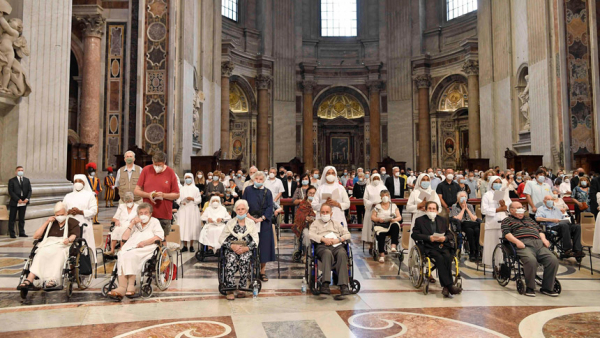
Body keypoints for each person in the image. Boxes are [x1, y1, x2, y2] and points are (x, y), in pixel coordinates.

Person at [108, 203, 165, 300]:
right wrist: (132, 224)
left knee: (131, 255)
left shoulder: (154, 222)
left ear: (150, 214)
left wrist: (145, 242)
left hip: (147, 246)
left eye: (146, 213)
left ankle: (130, 286)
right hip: (132, 244)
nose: (143, 215)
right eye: (141, 213)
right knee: (121, 254)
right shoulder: (135, 223)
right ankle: (122, 287)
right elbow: (124, 238)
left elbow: (159, 237)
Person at [502, 202, 559, 297]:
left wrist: (544, 239)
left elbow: (539, 231)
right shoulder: (507, 220)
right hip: (523, 244)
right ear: (511, 210)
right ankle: (530, 287)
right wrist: (517, 242)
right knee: (531, 261)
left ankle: (547, 288)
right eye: (518, 208)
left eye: (522, 207)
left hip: (538, 243)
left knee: (553, 260)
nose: (521, 209)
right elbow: (507, 234)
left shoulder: (530, 220)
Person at [17, 202, 80, 289]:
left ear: (66, 213)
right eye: (57, 215)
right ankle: (29, 279)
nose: (60, 216)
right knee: (40, 253)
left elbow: (74, 235)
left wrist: (69, 239)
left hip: (63, 245)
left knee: (59, 254)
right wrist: (47, 222)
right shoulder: (52, 223)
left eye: (62, 214)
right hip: (48, 244)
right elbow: (36, 236)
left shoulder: (72, 222)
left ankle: (53, 279)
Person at [412, 201, 462, 298]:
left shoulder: (442, 220)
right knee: (439, 258)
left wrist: (445, 238)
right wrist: (428, 237)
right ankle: (449, 286)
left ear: (437, 210)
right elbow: (415, 234)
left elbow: (449, 233)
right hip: (429, 246)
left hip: (442, 245)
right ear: (426, 210)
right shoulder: (419, 220)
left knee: (447, 256)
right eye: (430, 208)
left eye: (433, 209)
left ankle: (447, 287)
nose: (432, 210)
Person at [219, 200, 260, 300]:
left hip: (245, 249)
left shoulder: (251, 223)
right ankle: (230, 288)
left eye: (243, 209)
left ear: (246, 210)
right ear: (235, 211)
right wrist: (231, 246)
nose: (241, 211)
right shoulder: (230, 223)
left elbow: (256, 240)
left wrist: (246, 248)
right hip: (231, 249)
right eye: (238, 209)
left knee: (244, 259)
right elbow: (221, 239)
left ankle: (242, 287)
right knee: (230, 259)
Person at [308, 204, 351, 296]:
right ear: (320, 213)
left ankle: (343, 284)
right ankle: (325, 283)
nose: (325, 214)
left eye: (327, 212)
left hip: (336, 245)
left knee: (342, 253)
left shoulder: (336, 223)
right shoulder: (315, 223)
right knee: (327, 253)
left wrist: (338, 240)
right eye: (323, 212)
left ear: (331, 214)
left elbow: (347, 234)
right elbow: (311, 234)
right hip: (322, 245)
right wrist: (323, 239)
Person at [134, 151, 180, 236]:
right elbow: (136, 190)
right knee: (146, 238)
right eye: (155, 164)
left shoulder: (170, 172)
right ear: (152, 161)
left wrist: (163, 195)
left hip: (164, 213)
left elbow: (176, 194)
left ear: (164, 162)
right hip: (147, 214)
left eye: (160, 165)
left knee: (162, 239)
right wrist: (148, 195)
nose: (157, 167)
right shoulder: (146, 170)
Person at [242, 171, 275, 282]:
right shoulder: (248, 190)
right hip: (249, 220)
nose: (258, 181)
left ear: (264, 180)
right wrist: (250, 216)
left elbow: (270, 207)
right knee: (249, 245)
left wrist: (262, 218)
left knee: (264, 246)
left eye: (261, 179)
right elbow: (243, 204)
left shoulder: (268, 192)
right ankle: (248, 269)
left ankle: (262, 271)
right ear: (253, 179)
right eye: (257, 179)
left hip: (264, 222)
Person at [63, 174, 98, 256]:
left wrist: (80, 212)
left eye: (80, 181)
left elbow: (94, 211)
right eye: (76, 181)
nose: (77, 183)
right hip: (70, 224)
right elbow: (62, 209)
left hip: (84, 223)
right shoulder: (68, 196)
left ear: (84, 183)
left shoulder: (90, 195)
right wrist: (69, 211)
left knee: (85, 244)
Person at [481, 176, 512, 267]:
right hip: (492, 223)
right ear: (491, 184)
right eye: (496, 182)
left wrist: (505, 207)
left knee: (504, 246)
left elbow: (510, 208)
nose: (498, 184)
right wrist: (498, 209)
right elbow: (484, 210)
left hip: (504, 222)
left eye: (499, 182)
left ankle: (503, 264)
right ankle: (493, 264)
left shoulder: (505, 195)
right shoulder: (487, 195)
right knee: (492, 245)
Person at [406, 173, 441, 250]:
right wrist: (418, 206)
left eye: (427, 180)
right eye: (423, 180)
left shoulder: (433, 193)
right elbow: (408, 207)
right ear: (419, 181)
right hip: (418, 218)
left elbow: (439, 208)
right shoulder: (414, 193)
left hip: (431, 220)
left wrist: (430, 209)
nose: (425, 182)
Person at [371, 190, 402, 263]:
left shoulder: (393, 205)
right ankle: (382, 254)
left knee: (395, 225)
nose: (385, 197)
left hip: (391, 223)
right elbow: (372, 217)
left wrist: (393, 219)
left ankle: (393, 246)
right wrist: (378, 219)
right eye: (383, 195)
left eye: (386, 195)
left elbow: (399, 217)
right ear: (381, 197)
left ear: (389, 196)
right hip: (381, 225)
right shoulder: (377, 206)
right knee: (381, 234)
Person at [450, 191, 480, 262]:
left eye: (465, 197)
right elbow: (458, 219)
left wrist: (466, 208)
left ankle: (477, 252)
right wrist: (463, 209)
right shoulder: (454, 206)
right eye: (461, 197)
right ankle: (472, 252)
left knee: (477, 230)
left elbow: (474, 218)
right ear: (458, 198)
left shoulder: (470, 206)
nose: (463, 198)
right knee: (469, 231)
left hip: (471, 224)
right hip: (461, 225)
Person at [177, 173, 202, 252]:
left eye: (189, 177)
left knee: (192, 227)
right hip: (184, 209)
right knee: (184, 227)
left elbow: (199, 199)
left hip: (192, 210)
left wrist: (193, 199)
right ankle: (185, 245)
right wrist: (181, 202)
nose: (188, 179)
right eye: (186, 177)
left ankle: (191, 245)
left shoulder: (196, 189)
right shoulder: (181, 189)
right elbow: (177, 198)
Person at [362, 173, 386, 251]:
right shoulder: (368, 187)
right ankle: (371, 244)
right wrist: (372, 204)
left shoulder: (383, 187)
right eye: (374, 178)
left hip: (381, 210)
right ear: (372, 179)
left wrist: (382, 204)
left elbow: (387, 197)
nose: (376, 180)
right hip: (371, 210)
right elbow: (365, 199)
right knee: (370, 227)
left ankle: (382, 245)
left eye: (377, 178)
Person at [7, 165, 31, 238]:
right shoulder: (12, 180)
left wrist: (27, 198)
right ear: (16, 172)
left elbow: (30, 190)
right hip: (15, 202)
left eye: (22, 170)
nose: (20, 172)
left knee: (22, 218)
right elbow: (11, 191)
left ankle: (21, 232)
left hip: (24, 202)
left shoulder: (27, 180)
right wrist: (18, 199)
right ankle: (12, 233)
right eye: (19, 170)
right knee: (12, 218)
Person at [292, 185, 317, 252]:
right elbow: (299, 216)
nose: (312, 195)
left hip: (318, 226)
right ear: (307, 194)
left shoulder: (319, 204)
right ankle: (307, 253)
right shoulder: (303, 203)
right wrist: (306, 218)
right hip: (305, 226)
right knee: (306, 234)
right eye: (310, 193)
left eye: (314, 193)